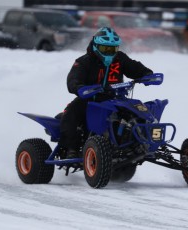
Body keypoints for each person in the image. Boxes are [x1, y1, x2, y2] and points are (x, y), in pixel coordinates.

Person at [58, 27, 153, 159]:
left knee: (138, 111)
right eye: (105, 49)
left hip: (116, 99)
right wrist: (80, 87)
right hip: (90, 99)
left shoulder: (120, 58)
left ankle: (138, 141)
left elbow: (134, 67)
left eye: (113, 49)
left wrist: (147, 74)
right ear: (96, 46)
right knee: (71, 113)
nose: (109, 53)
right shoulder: (83, 61)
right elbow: (73, 79)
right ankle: (71, 148)